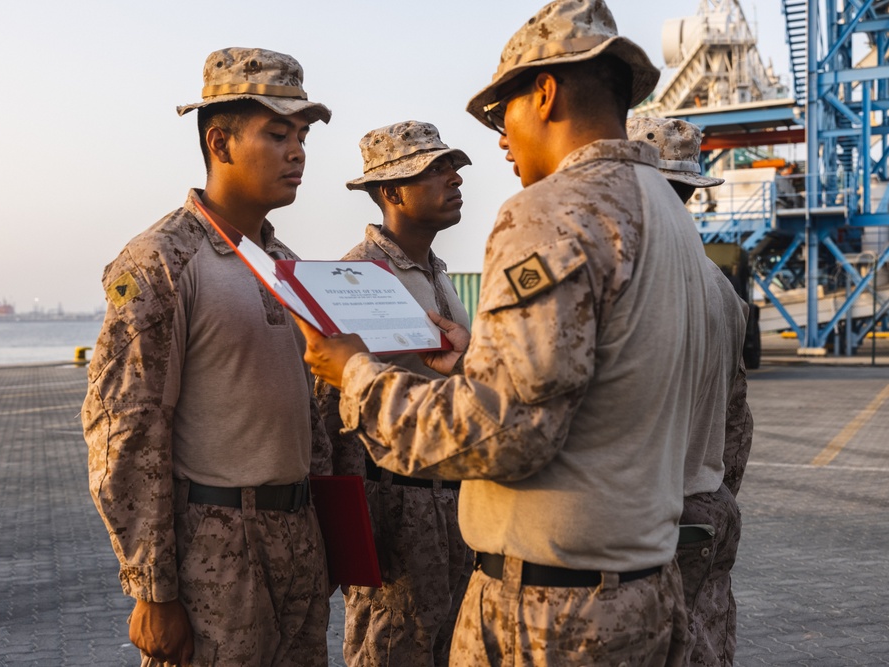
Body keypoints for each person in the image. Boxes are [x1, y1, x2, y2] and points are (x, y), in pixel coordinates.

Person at [295, 0, 732, 662]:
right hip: (642, 588)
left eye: (502, 116)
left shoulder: (551, 212)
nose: (500, 141)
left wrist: (355, 374)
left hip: (550, 612)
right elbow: (610, 375)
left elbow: (505, 433)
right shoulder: (667, 218)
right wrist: (478, 358)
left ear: (546, 92)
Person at [81, 47, 333, 667]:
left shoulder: (285, 265)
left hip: (298, 538)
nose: (298, 152)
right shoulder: (162, 259)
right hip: (216, 546)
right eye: (278, 134)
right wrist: (151, 588)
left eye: (302, 136)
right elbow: (126, 429)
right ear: (219, 143)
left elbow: (311, 412)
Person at [319, 120, 474, 666]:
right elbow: (329, 410)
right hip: (395, 507)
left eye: (452, 166)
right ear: (391, 192)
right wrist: (350, 531)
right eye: (433, 170)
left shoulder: (437, 273)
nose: (454, 178)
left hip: (459, 501)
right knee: (391, 652)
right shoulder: (356, 277)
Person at [628, 116, 754, 667]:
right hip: (708, 506)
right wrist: (715, 486)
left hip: (650, 516)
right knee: (705, 644)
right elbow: (737, 420)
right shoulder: (720, 287)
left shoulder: (633, 277)